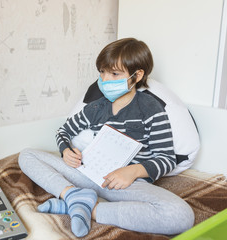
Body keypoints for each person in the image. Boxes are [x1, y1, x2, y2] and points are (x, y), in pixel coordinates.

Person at [18, 38, 195, 237]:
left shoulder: (150, 108)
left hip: (125, 185)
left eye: (114, 73)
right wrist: (65, 150)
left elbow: (166, 158)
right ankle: (72, 195)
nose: (105, 79)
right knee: (27, 155)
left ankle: (88, 209)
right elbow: (63, 132)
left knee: (182, 216)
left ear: (137, 76)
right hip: (86, 174)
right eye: (102, 72)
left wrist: (133, 171)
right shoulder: (96, 107)